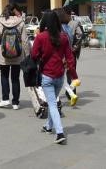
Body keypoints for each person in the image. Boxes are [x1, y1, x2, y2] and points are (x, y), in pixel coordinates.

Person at [31, 11, 78, 145]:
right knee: (53, 102)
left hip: (47, 75)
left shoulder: (41, 37)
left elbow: (34, 55)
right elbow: (70, 58)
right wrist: (74, 76)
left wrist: (40, 55)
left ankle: (59, 133)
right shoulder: (63, 37)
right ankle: (48, 126)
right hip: (60, 76)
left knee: (52, 104)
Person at [0, 3, 28, 110]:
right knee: (15, 78)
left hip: (4, 55)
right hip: (17, 55)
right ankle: (15, 102)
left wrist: (2, 43)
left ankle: (5, 99)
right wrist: (27, 56)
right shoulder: (20, 22)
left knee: (4, 76)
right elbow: (25, 41)